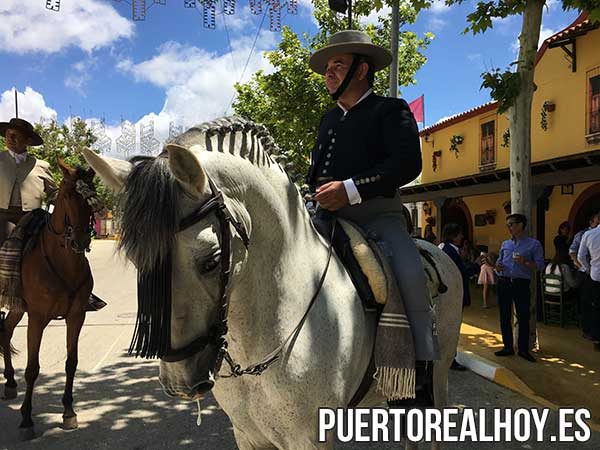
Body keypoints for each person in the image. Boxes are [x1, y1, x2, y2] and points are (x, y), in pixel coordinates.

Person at [306, 30, 438, 391]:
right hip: (325, 218)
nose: (328, 73)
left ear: (361, 70)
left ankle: (420, 367)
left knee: (410, 273)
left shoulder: (390, 109)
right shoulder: (328, 119)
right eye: (328, 67)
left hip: (378, 217)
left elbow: (407, 163)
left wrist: (349, 190)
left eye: (338, 65)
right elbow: (315, 171)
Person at [494, 213, 545, 362]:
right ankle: (507, 347)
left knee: (523, 316)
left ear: (521, 225)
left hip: (520, 283)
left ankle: (523, 350)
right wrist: (497, 267)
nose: (509, 227)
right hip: (504, 282)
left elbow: (540, 266)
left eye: (511, 224)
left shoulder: (534, 244)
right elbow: (499, 263)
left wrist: (525, 262)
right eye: (507, 225)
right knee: (504, 315)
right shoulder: (505, 244)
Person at [0, 117, 56, 244]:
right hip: (3, 216)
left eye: (15, 135)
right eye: (8, 135)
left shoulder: (41, 166)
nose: (10, 139)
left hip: (33, 218)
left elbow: (54, 193)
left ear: (27, 140)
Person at [440, 223, 479, 371]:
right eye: (460, 234)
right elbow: (462, 272)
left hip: (446, 296)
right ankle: (451, 358)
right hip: (453, 296)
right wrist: (475, 265)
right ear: (454, 236)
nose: (462, 237)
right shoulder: (451, 251)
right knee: (452, 328)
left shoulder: (445, 248)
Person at [570, 210, 600, 339]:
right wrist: (585, 268)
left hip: (592, 272)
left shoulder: (590, 235)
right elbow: (573, 252)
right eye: (596, 221)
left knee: (594, 303)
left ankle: (593, 332)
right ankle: (587, 329)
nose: (597, 223)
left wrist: (589, 268)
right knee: (586, 301)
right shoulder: (582, 234)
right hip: (585, 272)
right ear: (591, 221)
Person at [577, 212, 600, 351]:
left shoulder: (589, 234)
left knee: (597, 307)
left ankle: (597, 338)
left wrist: (589, 267)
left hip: (596, 275)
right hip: (595, 273)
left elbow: (580, 256)